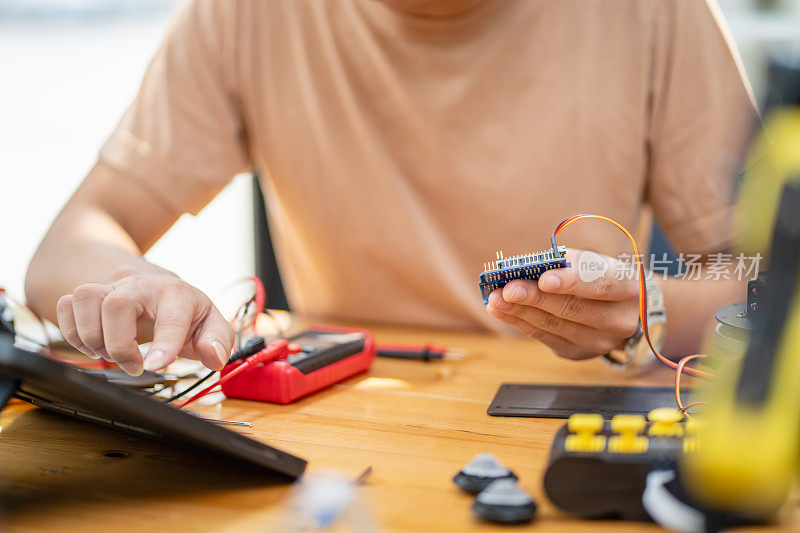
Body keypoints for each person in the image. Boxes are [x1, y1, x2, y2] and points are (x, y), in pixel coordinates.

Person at [25, 0, 756, 376]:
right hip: (339, 431)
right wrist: (134, 285)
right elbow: (70, 243)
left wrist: (649, 309)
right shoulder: (247, 14)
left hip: (577, 421)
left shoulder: (656, 12)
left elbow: (772, 285)